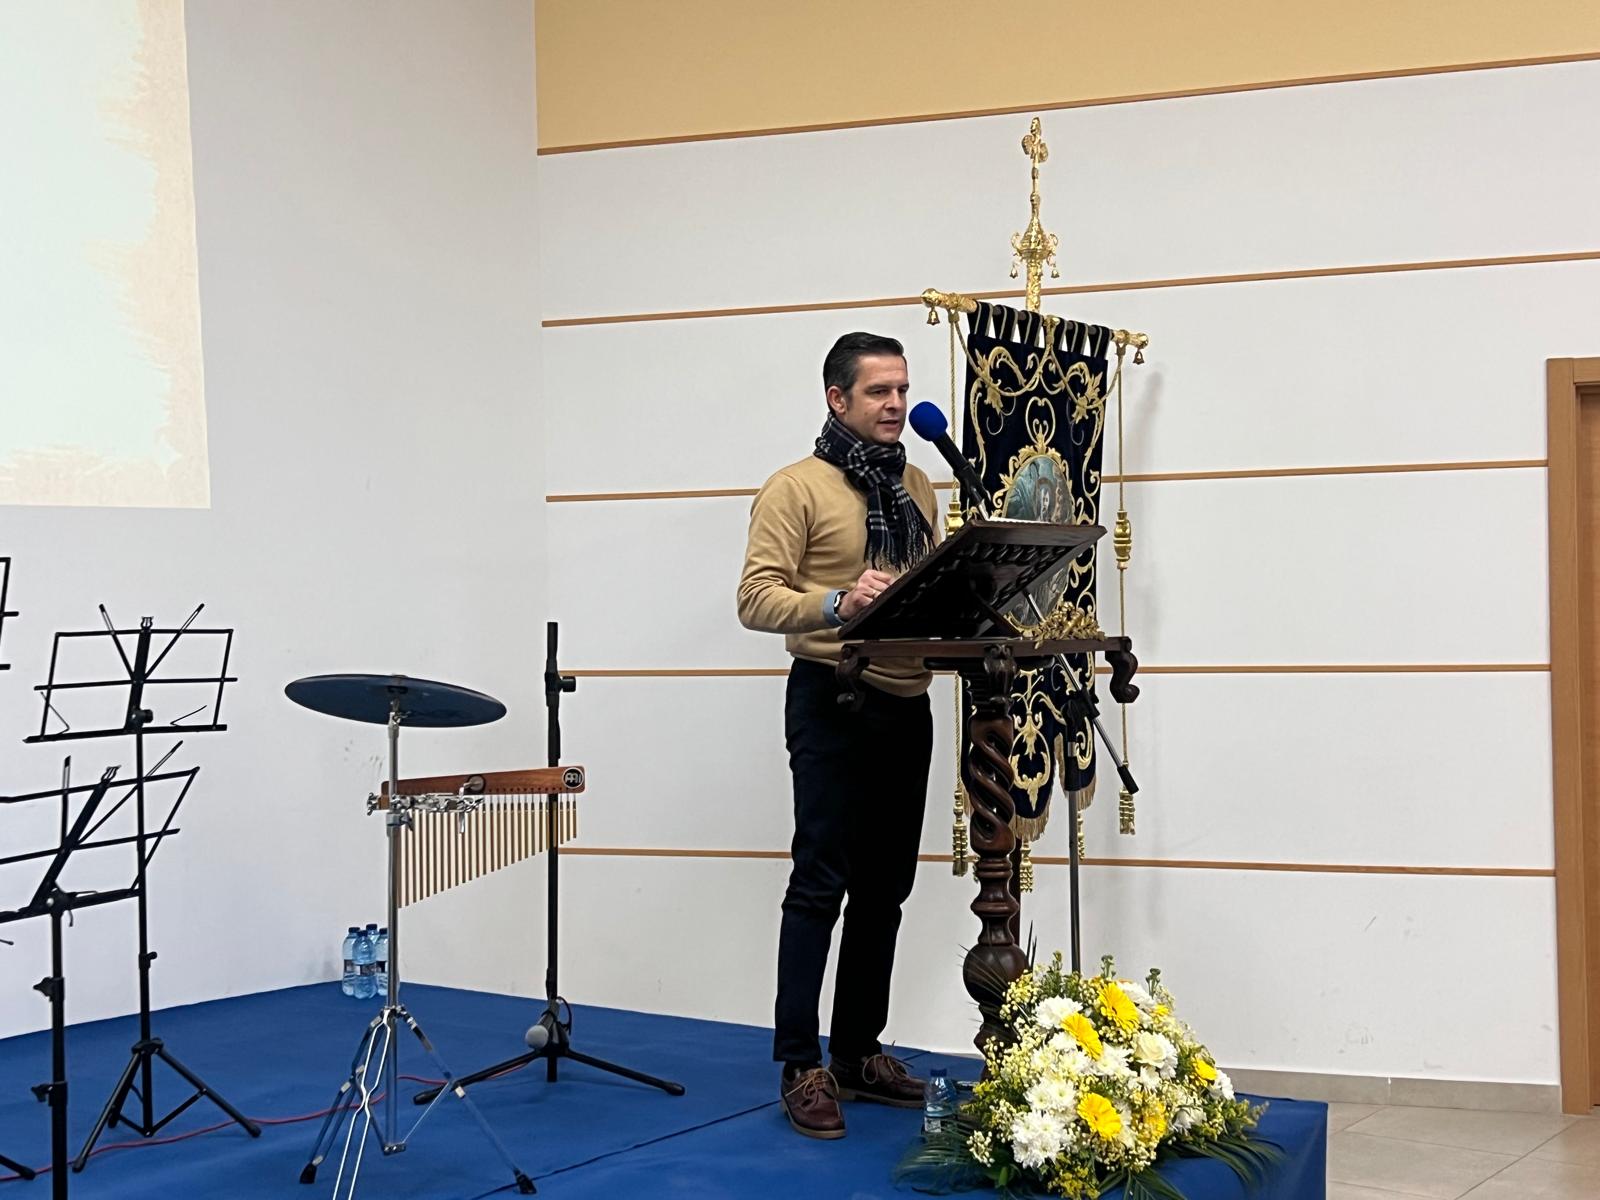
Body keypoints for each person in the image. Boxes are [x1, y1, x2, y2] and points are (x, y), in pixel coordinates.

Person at [736, 332, 939, 1139]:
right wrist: (836, 603)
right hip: (832, 697)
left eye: (902, 390)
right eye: (879, 392)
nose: (896, 405)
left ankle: (857, 1052)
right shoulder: (796, 488)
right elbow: (755, 598)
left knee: (886, 888)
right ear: (837, 399)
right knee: (821, 882)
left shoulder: (918, 484)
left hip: (909, 700)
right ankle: (800, 1063)